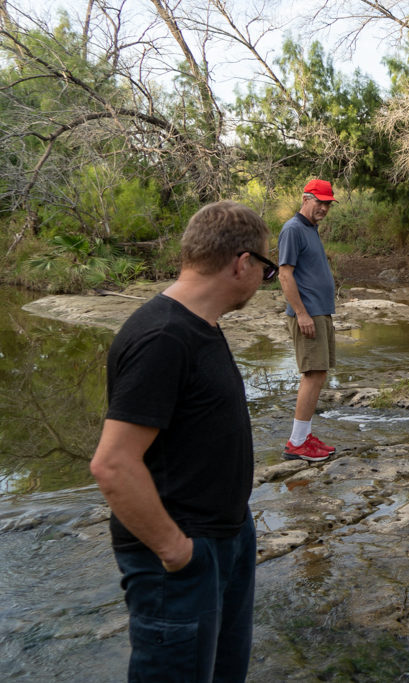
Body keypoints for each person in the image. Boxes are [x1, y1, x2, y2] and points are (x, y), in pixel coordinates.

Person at [90, 200, 277, 682]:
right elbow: (112, 465)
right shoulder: (164, 337)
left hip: (224, 537)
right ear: (242, 263)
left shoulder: (200, 326)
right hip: (180, 558)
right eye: (266, 269)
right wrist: (177, 551)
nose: (263, 280)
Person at [276, 178, 339, 462]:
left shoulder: (310, 229)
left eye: (327, 203)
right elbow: (284, 274)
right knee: (312, 375)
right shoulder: (292, 229)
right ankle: (296, 443)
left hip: (319, 312)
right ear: (305, 198)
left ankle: (304, 436)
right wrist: (301, 313)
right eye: (319, 202)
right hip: (308, 314)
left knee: (319, 373)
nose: (324, 208)